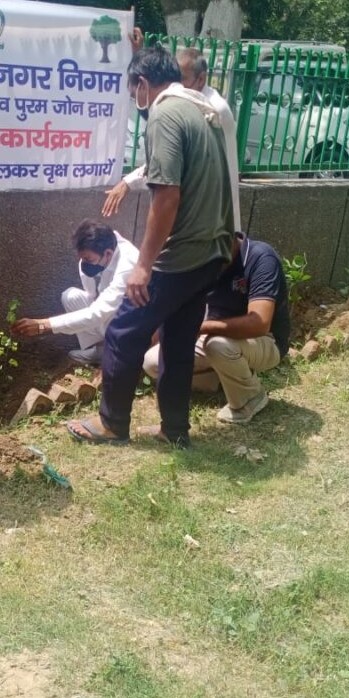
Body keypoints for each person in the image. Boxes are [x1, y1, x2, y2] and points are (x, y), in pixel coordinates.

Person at [66, 46, 235, 447]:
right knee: (177, 339)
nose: (135, 102)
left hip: (181, 256)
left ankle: (111, 424)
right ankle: (174, 430)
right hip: (210, 252)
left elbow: (167, 197)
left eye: (132, 92)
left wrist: (144, 265)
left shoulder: (164, 114)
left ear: (142, 84)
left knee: (124, 332)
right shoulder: (202, 111)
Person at [143, 233, 290, 425]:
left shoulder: (261, 258)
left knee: (218, 346)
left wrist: (200, 327)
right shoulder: (205, 260)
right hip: (213, 336)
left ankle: (250, 398)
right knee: (153, 362)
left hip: (266, 341)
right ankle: (221, 380)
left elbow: (259, 324)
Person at [103, 44, 240, 235]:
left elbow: (167, 192)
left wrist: (144, 262)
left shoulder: (207, 109)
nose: (176, 85)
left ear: (201, 79)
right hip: (208, 225)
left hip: (198, 225)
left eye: (181, 79)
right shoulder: (192, 105)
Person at [10, 220, 139, 365]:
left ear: (108, 254)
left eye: (88, 259)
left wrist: (43, 325)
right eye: (82, 258)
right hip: (108, 312)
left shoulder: (127, 266)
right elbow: (92, 298)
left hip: (132, 324)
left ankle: (115, 354)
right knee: (71, 296)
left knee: (103, 314)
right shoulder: (105, 245)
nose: (84, 263)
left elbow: (99, 312)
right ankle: (101, 350)